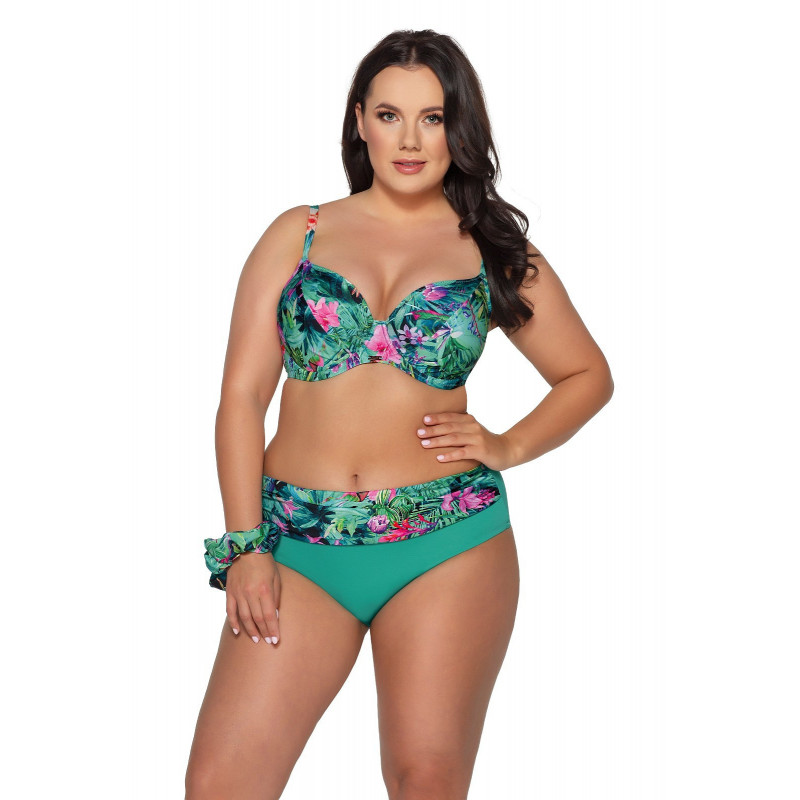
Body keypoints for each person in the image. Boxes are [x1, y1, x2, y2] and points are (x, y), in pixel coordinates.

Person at [185, 28, 613, 800]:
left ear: (459, 127)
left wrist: (508, 445)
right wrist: (245, 545)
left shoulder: (491, 250)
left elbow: (587, 375)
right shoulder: (298, 233)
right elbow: (241, 400)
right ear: (360, 121)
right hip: (298, 545)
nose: (410, 140)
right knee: (221, 784)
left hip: (446, 541)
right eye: (389, 115)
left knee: (426, 782)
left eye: (433, 118)